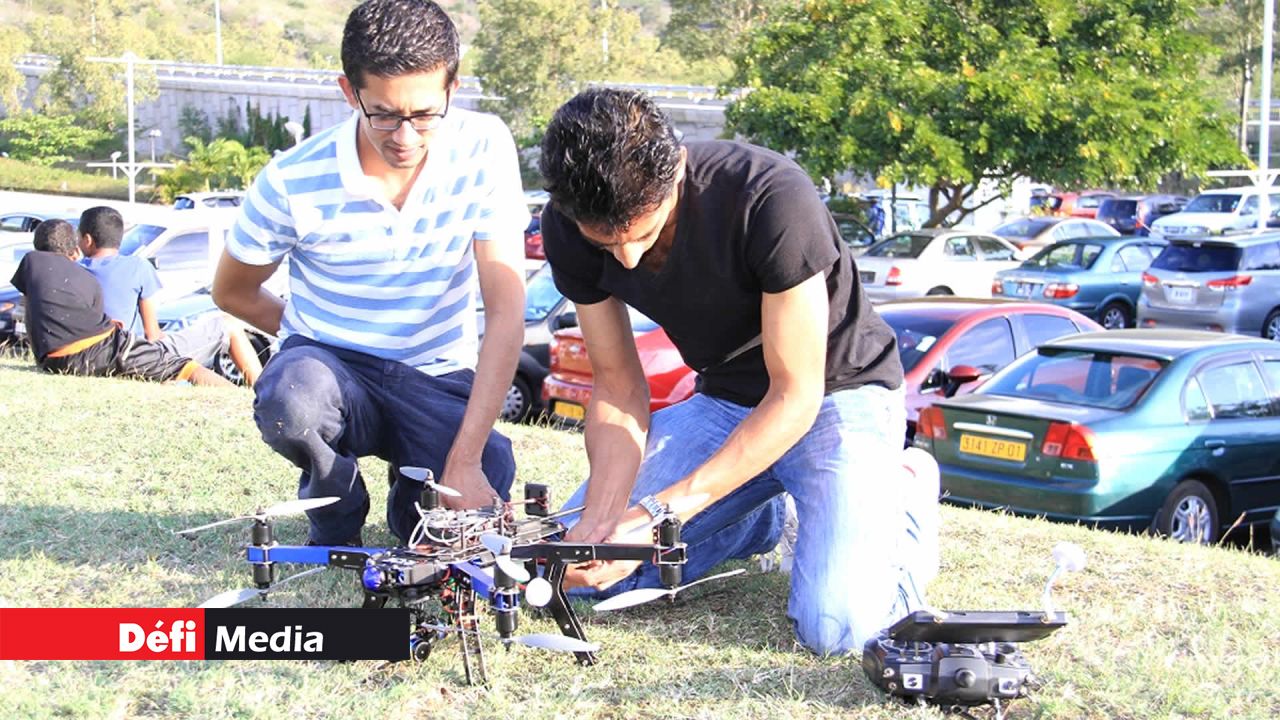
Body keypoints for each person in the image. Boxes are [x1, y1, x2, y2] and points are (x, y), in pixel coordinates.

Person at [537, 88, 939, 655]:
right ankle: (756, 519)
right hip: (727, 400)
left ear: (675, 170)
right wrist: (602, 521)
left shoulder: (769, 197)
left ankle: (905, 490)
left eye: (644, 233)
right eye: (606, 242)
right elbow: (618, 384)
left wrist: (659, 512)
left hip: (836, 393)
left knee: (840, 630)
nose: (626, 259)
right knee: (581, 575)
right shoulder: (567, 224)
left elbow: (796, 395)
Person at [212, 0, 528, 546]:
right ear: (348, 91)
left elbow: (506, 311)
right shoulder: (292, 179)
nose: (404, 136)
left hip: (435, 374)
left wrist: (467, 457)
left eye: (425, 114)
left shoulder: (485, 146)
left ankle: (412, 504)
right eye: (382, 113)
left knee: (455, 513)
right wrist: (310, 334)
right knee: (292, 397)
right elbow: (232, 290)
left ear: (452, 90)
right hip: (333, 364)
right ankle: (335, 506)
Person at [12, 219, 229, 387]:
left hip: (53, 361)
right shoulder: (87, 279)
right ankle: (237, 400)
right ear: (75, 248)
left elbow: (34, 311)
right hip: (102, 351)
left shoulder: (31, 263)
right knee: (188, 368)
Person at [77, 206, 263, 386]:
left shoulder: (74, 271)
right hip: (139, 354)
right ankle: (262, 390)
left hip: (92, 355)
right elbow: (153, 333)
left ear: (86, 240)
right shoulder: (138, 267)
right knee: (228, 325)